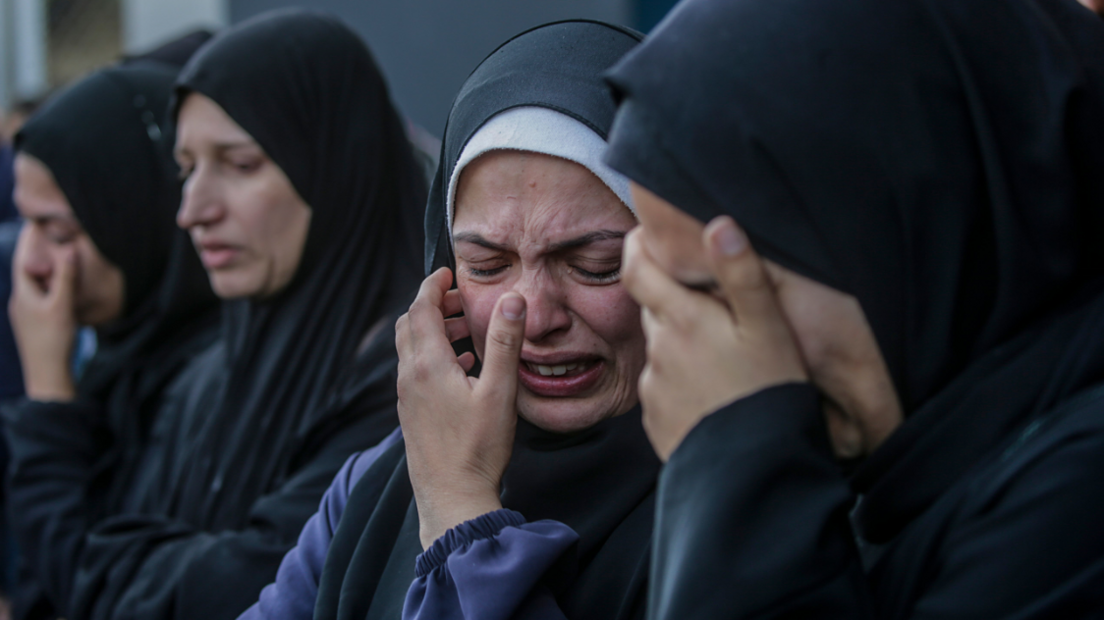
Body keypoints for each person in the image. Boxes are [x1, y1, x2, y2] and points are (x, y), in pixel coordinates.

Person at [602, 0, 1104, 616]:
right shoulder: (900, 477)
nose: (696, 351)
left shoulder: (1076, 505)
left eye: (717, 294)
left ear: (908, 235)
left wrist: (735, 463)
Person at [8, 8, 427, 619]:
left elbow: (241, 587)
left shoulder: (412, 379)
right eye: (186, 169)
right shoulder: (211, 371)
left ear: (334, 163)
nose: (193, 209)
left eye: (240, 164)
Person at [239, 20, 659, 620]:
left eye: (595, 265)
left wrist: (461, 511)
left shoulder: (742, 516)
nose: (533, 318)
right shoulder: (383, 481)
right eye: (488, 265)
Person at [4, 62, 219, 620]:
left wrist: (49, 396)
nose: (30, 262)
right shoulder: (122, 361)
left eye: (59, 232)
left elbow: (89, 590)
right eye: (23, 223)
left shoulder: (208, 385)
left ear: (134, 219)